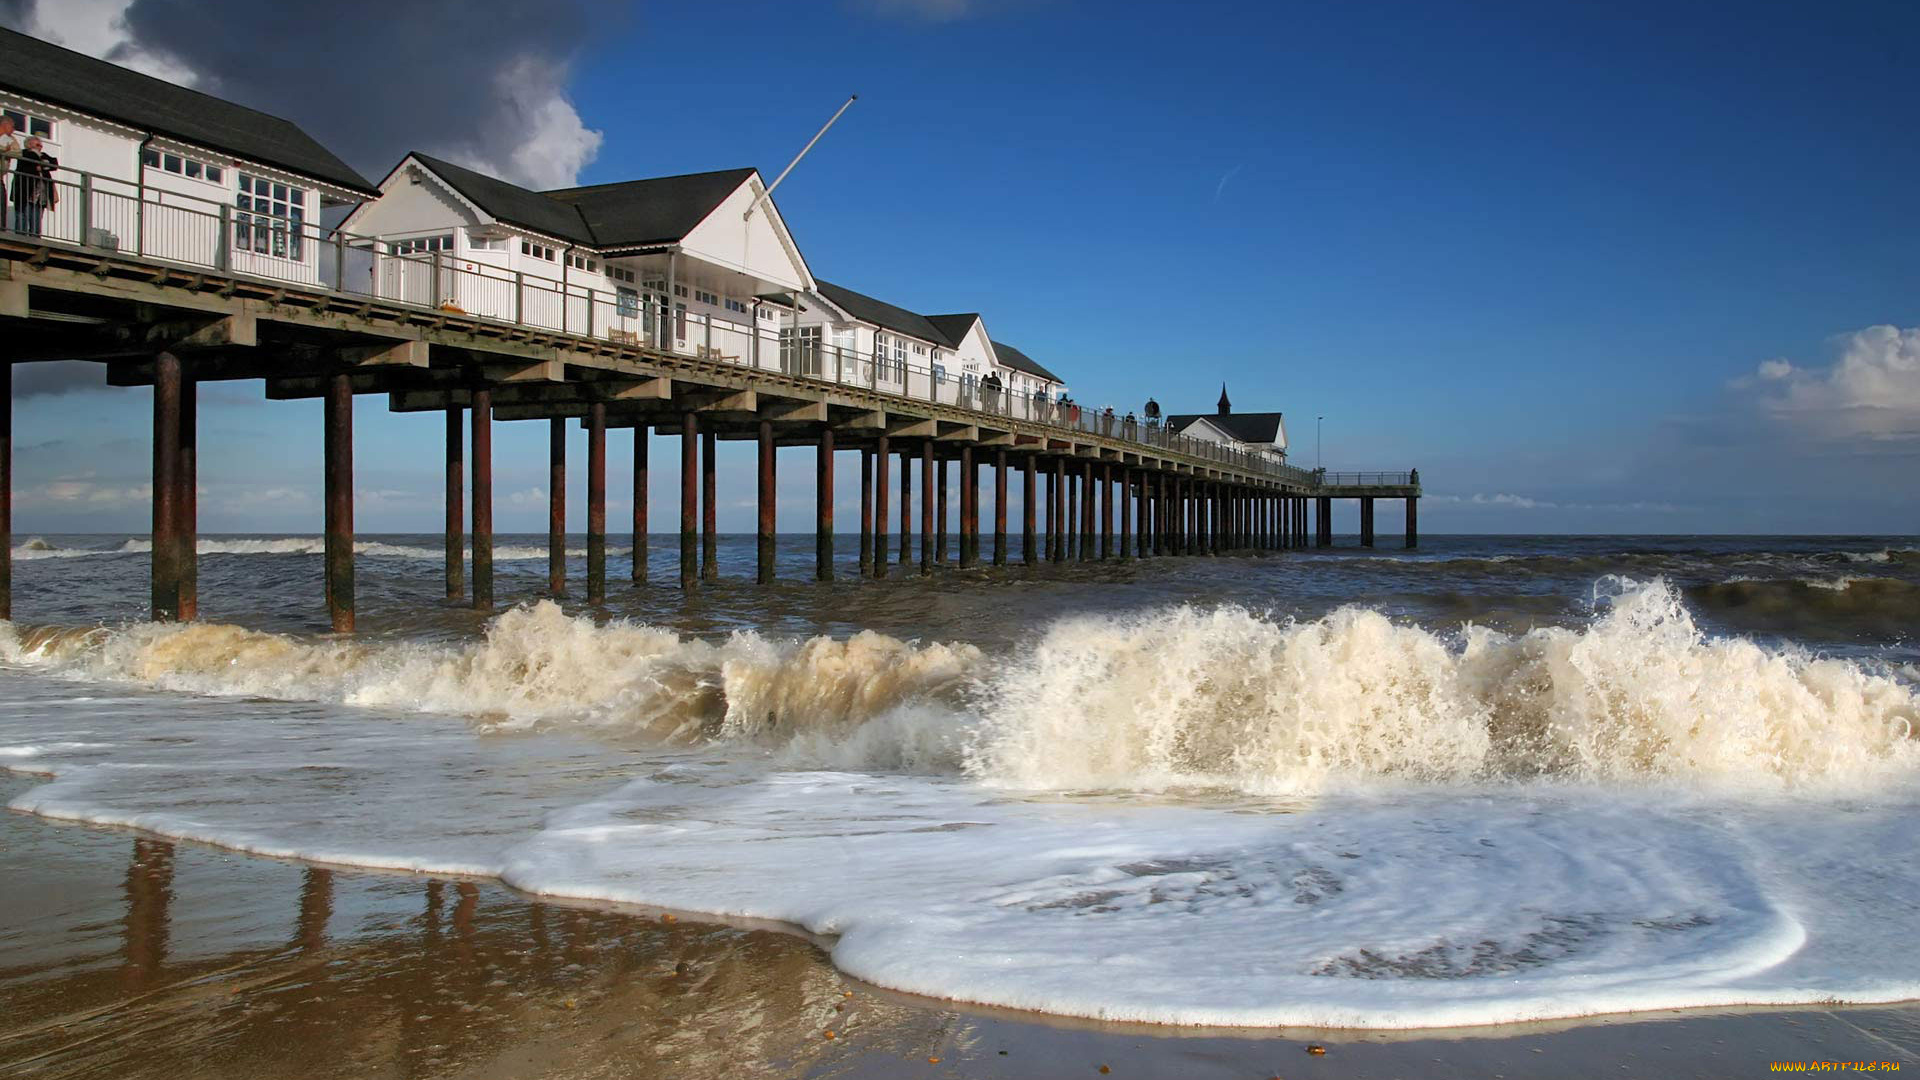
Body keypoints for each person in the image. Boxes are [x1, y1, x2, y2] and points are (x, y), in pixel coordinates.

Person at [11, 135, 57, 236]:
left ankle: (34, 238)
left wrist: (42, 166)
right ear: (29, 145)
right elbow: (31, 161)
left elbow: (54, 163)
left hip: (40, 195)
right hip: (26, 191)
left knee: (36, 218)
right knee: (23, 215)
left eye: (41, 145)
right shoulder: (24, 153)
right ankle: (21, 238)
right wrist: (44, 164)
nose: (40, 147)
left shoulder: (43, 155)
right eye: (38, 144)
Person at [0, 117, 18, 222]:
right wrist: (4, 150)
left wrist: (5, 152)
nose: (13, 129)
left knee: (2, 208)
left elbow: (18, 153)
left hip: (0, 178)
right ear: (5, 124)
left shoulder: (11, 139)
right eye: (12, 126)